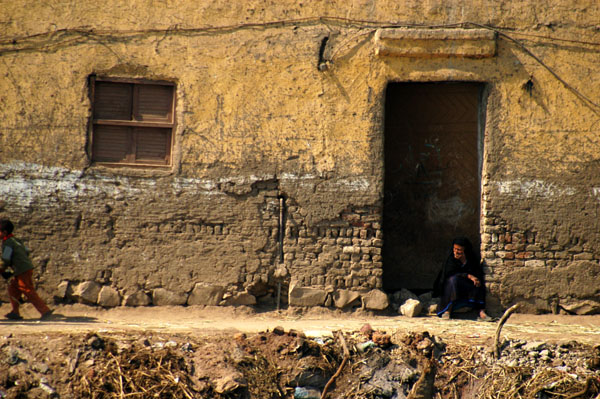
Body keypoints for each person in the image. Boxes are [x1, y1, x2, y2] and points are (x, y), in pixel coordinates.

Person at [0, 219, 53, 320]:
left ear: (4, 232)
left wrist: (2, 269)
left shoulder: (8, 243)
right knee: (13, 289)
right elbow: (27, 251)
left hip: (22, 270)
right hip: (24, 268)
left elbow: (5, 260)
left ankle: (45, 311)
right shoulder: (16, 240)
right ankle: (15, 312)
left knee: (27, 290)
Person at [432, 237, 491, 321]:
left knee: (479, 283)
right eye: (455, 249)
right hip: (453, 284)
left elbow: (476, 271)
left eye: (459, 249)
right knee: (453, 280)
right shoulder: (451, 258)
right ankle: (447, 311)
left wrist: (464, 261)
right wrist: (468, 276)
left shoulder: (471, 258)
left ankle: (482, 313)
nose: (456, 251)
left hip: (467, 283)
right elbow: (450, 272)